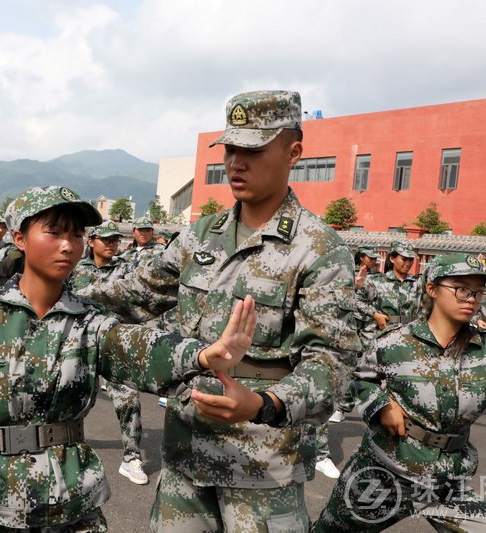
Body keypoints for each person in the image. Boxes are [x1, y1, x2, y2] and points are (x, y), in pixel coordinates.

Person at [78, 90, 360, 531]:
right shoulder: (201, 236)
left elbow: (333, 363)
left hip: (262, 469)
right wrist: (46, 288)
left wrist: (264, 403)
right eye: (230, 148)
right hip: (186, 461)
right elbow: (132, 293)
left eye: (252, 149)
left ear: (294, 152)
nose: (235, 162)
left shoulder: (318, 249)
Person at [0, 185, 258, 531]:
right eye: (54, 232)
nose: (68, 245)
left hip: (69, 503)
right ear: (20, 238)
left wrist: (202, 355)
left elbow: (137, 346)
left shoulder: (90, 320)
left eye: (77, 234)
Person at [314, 253, 486, 531]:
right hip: (382, 474)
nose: (471, 298)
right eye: (461, 289)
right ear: (432, 289)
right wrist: (380, 405)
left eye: (478, 292)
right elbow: (360, 376)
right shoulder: (396, 342)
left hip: (446, 482)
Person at [71, 221, 150, 485]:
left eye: (115, 239)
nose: (112, 244)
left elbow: (139, 298)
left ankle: (131, 457)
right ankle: (63, 452)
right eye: (106, 239)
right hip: (79, 343)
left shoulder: (127, 268)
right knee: (69, 399)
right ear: (92, 241)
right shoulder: (75, 268)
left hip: (114, 343)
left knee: (129, 399)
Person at [329, 246, 383, 424]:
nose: (374, 261)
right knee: (350, 364)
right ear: (362, 258)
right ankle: (341, 406)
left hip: (371, 326)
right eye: (371, 257)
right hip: (353, 324)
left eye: (376, 258)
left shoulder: (378, 277)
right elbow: (351, 300)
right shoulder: (350, 274)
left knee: (372, 365)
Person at [358, 240, 422, 333]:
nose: (408, 263)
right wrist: (375, 315)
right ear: (392, 259)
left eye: (411, 259)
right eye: (404, 259)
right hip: (381, 333)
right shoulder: (376, 281)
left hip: (408, 334)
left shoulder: (417, 283)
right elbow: (356, 300)